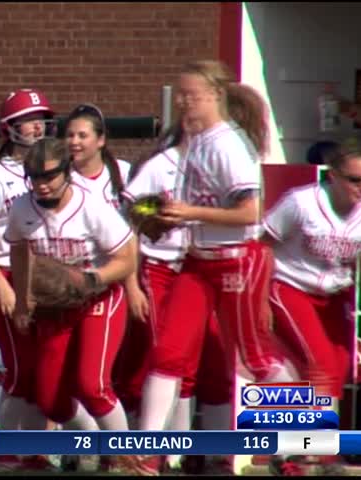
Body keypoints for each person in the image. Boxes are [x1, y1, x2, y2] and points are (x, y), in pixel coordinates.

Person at [136, 60, 293, 460]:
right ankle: (148, 455)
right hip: (197, 260)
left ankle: (298, 446)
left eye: (192, 95)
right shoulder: (197, 144)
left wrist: (189, 212)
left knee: (255, 357)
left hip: (237, 259)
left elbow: (250, 213)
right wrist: (157, 218)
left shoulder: (227, 144)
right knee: (168, 352)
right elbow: (178, 207)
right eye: (181, 94)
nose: (184, 103)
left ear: (216, 96)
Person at [264, 147, 361, 475]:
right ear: (333, 175)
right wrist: (254, 298)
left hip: (334, 296)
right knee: (320, 365)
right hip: (289, 286)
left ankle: (292, 451)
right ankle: (313, 456)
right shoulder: (301, 202)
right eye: (355, 180)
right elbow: (262, 243)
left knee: (336, 370)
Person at [121, 118, 234, 475]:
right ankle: (163, 455)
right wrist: (133, 283)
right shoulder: (161, 166)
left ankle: (216, 456)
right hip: (163, 268)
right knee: (173, 362)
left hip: (208, 270)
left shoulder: (226, 168)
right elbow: (131, 218)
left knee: (217, 365)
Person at [4, 137, 137, 438]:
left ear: (67, 172)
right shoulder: (22, 208)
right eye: (35, 177)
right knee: (50, 400)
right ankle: (92, 435)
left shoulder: (91, 205)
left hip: (98, 297)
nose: (42, 184)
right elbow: (19, 251)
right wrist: (23, 302)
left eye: (50, 175)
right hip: (55, 305)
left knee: (92, 385)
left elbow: (127, 259)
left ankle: (128, 455)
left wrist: (91, 279)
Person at [0, 88, 57, 471]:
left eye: (41, 117)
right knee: (20, 367)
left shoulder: (52, 169)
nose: (37, 125)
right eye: (27, 119)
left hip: (43, 277)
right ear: (9, 128)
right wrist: (2, 285)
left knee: (44, 365)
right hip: (6, 274)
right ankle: (7, 449)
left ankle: (35, 449)